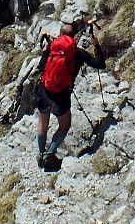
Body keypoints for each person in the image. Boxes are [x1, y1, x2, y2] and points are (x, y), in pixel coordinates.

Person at [35, 20, 105, 165]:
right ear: (74, 38)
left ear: (60, 34)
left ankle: (40, 154)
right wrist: (96, 45)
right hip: (62, 95)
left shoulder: (52, 48)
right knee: (64, 125)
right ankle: (49, 153)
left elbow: (41, 67)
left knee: (43, 122)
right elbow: (100, 64)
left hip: (45, 90)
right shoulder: (78, 53)